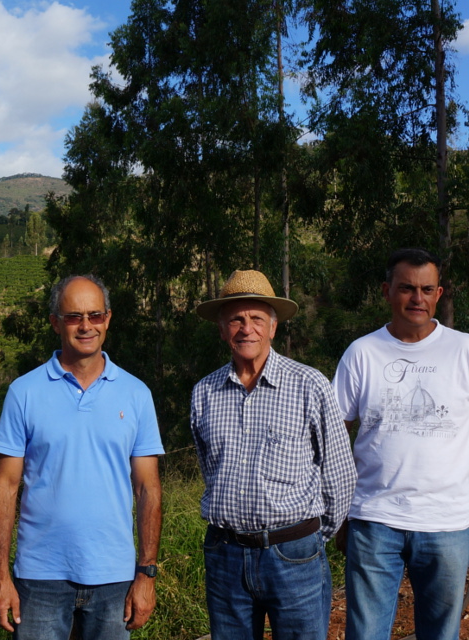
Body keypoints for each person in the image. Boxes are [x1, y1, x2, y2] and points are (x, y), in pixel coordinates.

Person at [0, 274, 164, 640]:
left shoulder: (136, 394)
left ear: (108, 319)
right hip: (39, 578)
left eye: (95, 315)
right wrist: (1, 576)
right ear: (55, 322)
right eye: (73, 316)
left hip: (115, 577)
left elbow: (148, 488)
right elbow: (5, 486)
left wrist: (145, 575)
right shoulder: (24, 392)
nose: (86, 326)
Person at [191, 269, 356, 640]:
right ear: (222, 328)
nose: (246, 328)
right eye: (235, 319)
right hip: (225, 554)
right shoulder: (204, 394)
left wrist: (309, 538)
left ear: (273, 328)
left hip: (295, 556)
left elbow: (340, 475)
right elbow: (210, 471)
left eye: (256, 319)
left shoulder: (309, 385)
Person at [332, 247, 469, 640]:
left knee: (440, 633)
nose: (417, 299)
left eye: (427, 289)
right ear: (387, 291)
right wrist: (343, 511)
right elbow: (333, 432)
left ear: (439, 294)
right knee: (366, 633)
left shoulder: (463, 351)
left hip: (448, 522)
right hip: (375, 519)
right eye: (407, 288)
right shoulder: (362, 353)